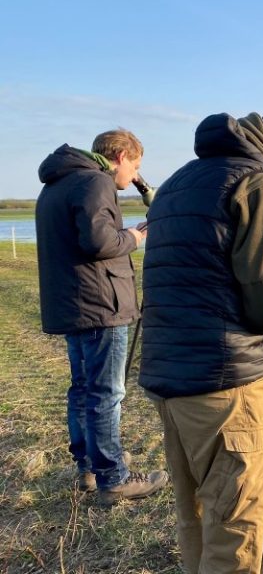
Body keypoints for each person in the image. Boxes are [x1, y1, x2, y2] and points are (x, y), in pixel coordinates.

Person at [138, 110, 263, 573]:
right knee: (236, 531)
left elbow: (208, 270)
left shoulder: (181, 181)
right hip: (228, 388)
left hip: (170, 380)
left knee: (198, 521)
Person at [35, 130, 169, 506]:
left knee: (82, 388)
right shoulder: (95, 181)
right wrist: (134, 238)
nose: (134, 176)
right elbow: (98, 242)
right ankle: (114, 476)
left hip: (74, 301)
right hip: (100, 303)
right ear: (122, 156)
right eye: (136, 166)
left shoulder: (59, 181)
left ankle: (90, 465)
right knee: (106, 393)